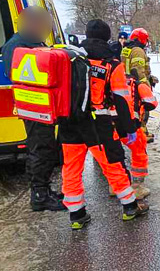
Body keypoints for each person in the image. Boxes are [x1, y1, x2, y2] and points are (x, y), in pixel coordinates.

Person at [59, 19, 149, 229]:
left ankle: (77, 215)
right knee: (112, 164)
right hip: (98, 122)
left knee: (71, 168)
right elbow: (121, 99)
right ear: (108, 37)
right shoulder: (111, 63)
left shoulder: (69, 59)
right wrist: (129, 128)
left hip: (69, 121)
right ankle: (129, 207)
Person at [2, 6, 65, 212]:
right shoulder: (17, 45)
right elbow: (19, 75)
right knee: (40, 149)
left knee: (45, 148)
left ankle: (44, 190)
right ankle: (39, 195)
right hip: (34, 106)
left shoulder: (33, 42)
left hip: (44, 107)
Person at [121, 70, 158, 198]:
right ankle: (137, 188)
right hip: (132, 126)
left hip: (109, 124)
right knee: (139, 154)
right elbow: (152, 103)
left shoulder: (111, 82)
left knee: (113, 155)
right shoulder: (138, 85)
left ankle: (116, 187)